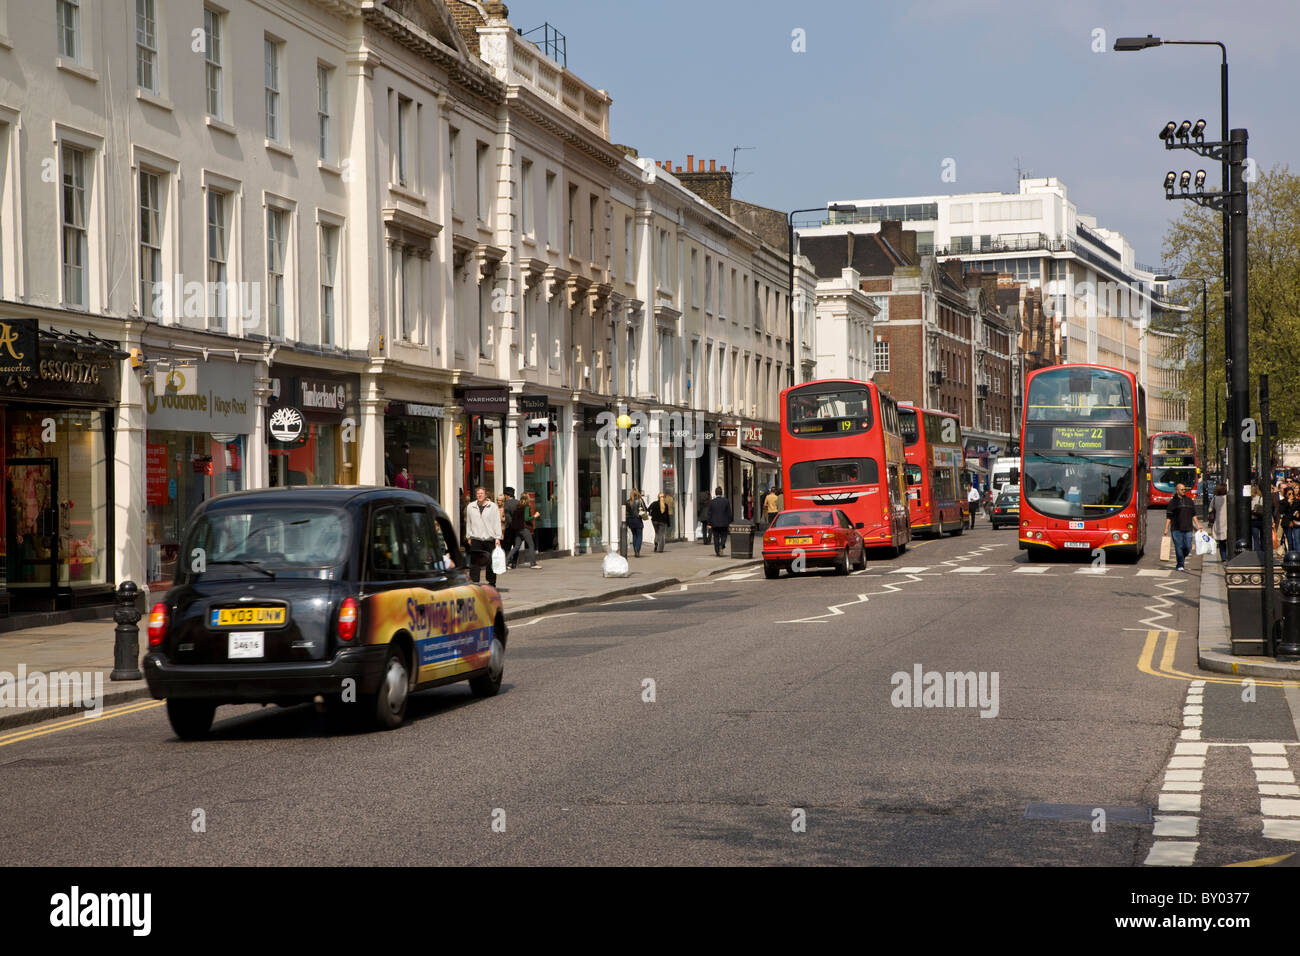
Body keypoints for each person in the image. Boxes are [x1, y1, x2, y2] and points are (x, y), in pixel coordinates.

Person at [1164, 481, 1204, 573]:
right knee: (1178, 546)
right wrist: (1166, 528)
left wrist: (1198, 525)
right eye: (1182, 489)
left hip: (1188, 528)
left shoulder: (1189, 500)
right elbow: (1169, 516)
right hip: (1176, 528)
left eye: (1184, 489)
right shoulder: (1172, 502)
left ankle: (1181, 558)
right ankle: (1180, 564)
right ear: (1177, 490)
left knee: (1188, 547)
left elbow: (1193, 514)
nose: (1183, 491)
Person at [464, 486, 501, 586]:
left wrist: (498, 537)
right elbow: (469, 523)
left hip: (489, 538)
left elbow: (496, 522)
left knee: (491, 562)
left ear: (485, 495)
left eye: (481, 493)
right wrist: (468, 536)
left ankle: (492, 582)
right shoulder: (471, 506)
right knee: (475, 562)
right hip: (476, 538)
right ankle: (474, 581)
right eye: (478, 494)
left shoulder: (493, 506)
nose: (479, 495)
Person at [507, 490, 541, 569]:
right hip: (524, 529)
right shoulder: (526, 506)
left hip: (518, 529)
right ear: (527, 498)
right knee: (531, 545)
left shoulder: (518, 506)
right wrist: (535, 516)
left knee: (516, 546)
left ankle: (506, 562)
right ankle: (533, 564)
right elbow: (526, 518)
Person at [707, 486, 733, 557]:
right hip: (724, 523)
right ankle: (722, 545)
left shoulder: (712, 502)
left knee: (716, 537)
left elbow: (709, 513)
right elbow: (729, 513)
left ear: (715, 493)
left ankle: (717, 551)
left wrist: (709, 523)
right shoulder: (726, 501)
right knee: (724, 536)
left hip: (714, 523)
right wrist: (730, 522)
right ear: (721, 493)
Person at [1211, 481, 1229, 562]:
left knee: (1221, 543)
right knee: (1229, 541)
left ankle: (1223, 558)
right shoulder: (1228, 498)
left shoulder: (1215, 498)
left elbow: (1210, 509)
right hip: (1228, 522)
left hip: (1219, 522)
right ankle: (1230, 556)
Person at [625, 490, 646, 557]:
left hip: (631, 521)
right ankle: (637, 550)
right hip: (638, 520)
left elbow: (627, 513)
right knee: (639, 536)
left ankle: (635, 551)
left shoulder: (628, 502)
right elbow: (645, 509)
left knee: (634, 535)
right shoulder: (640, 500)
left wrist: (627, 523)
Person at [501, 486, 520, 563]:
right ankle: (514, 563)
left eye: (504, 495)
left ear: (507, 495)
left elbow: (508, 518)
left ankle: (507, 562)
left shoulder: (507, 504)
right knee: (516, 546)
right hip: (518, 528)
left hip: (510, 528)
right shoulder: (518, 502)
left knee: (507, 546)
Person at [1280, 486, 1300, 554]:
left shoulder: (1297, 501)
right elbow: (1281, 511)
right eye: (1289, 494)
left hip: (1295, 522)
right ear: (1286, 495)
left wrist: (1297, 513)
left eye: (1292, 493)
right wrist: (1287, 503)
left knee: (1296, 540)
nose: (1291, 495)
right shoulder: (1283, 502)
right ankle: (1291, 554)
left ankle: (1297, 555)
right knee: (1289, 540)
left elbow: (1297, 510)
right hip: (1287, 523)